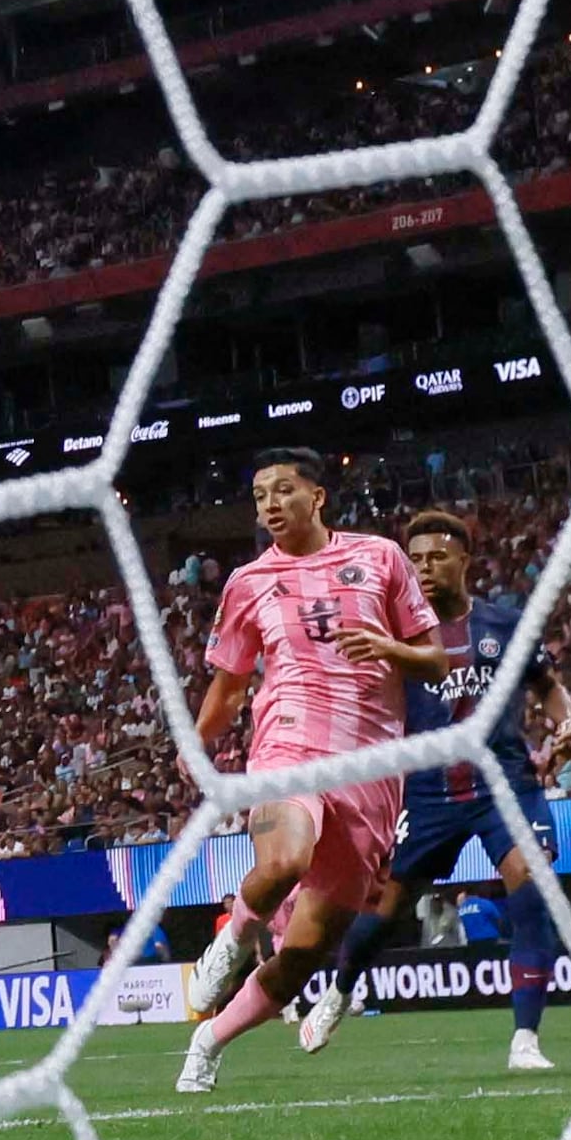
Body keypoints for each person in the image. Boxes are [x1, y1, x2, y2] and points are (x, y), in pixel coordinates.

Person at [178, 450, 444, 1096]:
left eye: (283, 490)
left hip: (371, 766)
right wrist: (195, 741)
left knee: (302, 956)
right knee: (286, 858)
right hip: (289, 741)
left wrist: (388, 647)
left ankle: (208, 1042)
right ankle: (233, 940)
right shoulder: (248, 583)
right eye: (259, 494)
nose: (270, 504)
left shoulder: (381, 557)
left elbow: (434, 660)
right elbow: (230, 686)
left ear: (317, 496)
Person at [302, 508, 571, 1071]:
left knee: (532, 888)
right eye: (416, 560)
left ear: (464, 560)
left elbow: (548, 687)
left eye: (437, 557)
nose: (425, 568)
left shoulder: (506, 624)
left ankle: (525, 1040)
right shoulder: (393, 636)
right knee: (384, 908)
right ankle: (339, 990)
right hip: (426, 791)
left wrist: (568, 722)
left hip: (504, 782)